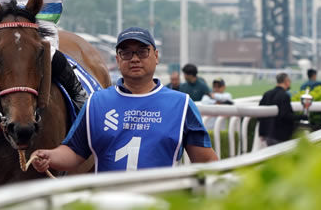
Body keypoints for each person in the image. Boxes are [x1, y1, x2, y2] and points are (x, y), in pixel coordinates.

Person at [29, 27, 218, 174]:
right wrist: (49, 156)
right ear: (118, 59)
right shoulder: (97, 102)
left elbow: (207, 162)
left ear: (156, 56)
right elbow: (74, 152)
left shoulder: (182, 105)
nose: (134, 59)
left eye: (142, 52)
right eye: (126, 53)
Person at [258, 73, 308, 146]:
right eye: (289, 81)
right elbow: (285, 115)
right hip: (280, 135)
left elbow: (260, 114)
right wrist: (303, 116)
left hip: (267, 135)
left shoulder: (267, 94)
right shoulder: (284, 95)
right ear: (286, 81)